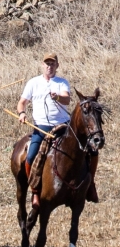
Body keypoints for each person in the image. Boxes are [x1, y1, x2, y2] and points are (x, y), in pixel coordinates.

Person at [16, 53, 95, 209]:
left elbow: (67, 99)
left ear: (57, 66)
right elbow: (22, 103)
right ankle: (36, 191)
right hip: (41, 127)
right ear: (42, 65)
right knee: (31, 157)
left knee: (90, 151)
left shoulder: (62, 83)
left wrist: (57, 97)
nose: (49, 66)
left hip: (62, 127)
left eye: (52, 64)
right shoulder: (33, 83)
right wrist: (22, 113)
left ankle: (90, 186)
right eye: (47, 64)